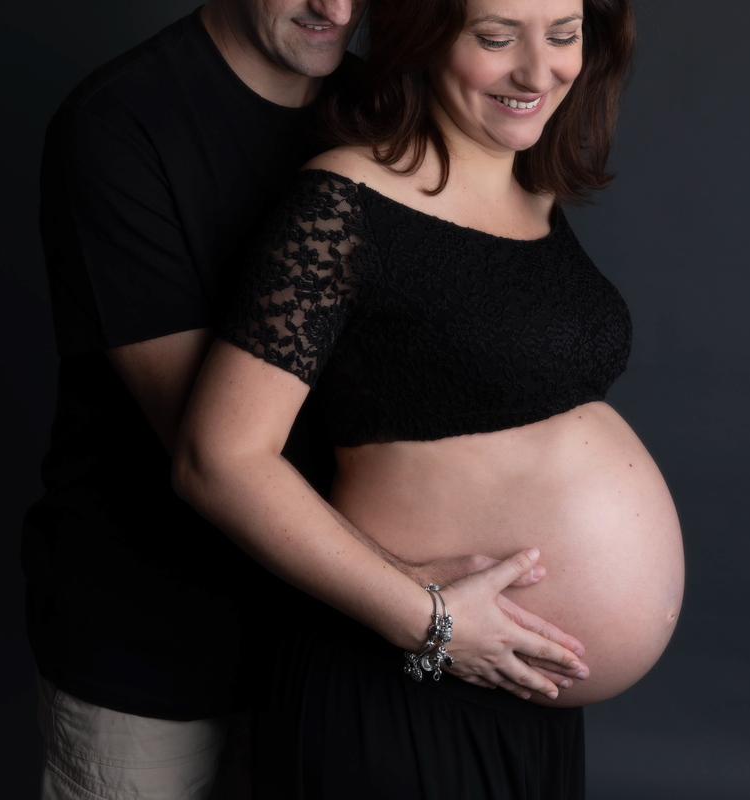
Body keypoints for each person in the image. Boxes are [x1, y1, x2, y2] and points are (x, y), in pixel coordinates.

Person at [23, 1, 584, 797]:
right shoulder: (121, 124)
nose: (334, 7)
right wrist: (428, 610)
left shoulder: (380, 104)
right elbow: (215, 449)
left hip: (344, 648)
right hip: (159, 640)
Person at [172, 0, 686, 796]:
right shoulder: (343, 201)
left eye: (563, 34)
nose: (536, 69)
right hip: (407, 681)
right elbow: (219, 459)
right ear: (423, 36)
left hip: (527, 698)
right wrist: (434, 621)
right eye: (494, 36)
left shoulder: (532, 197)